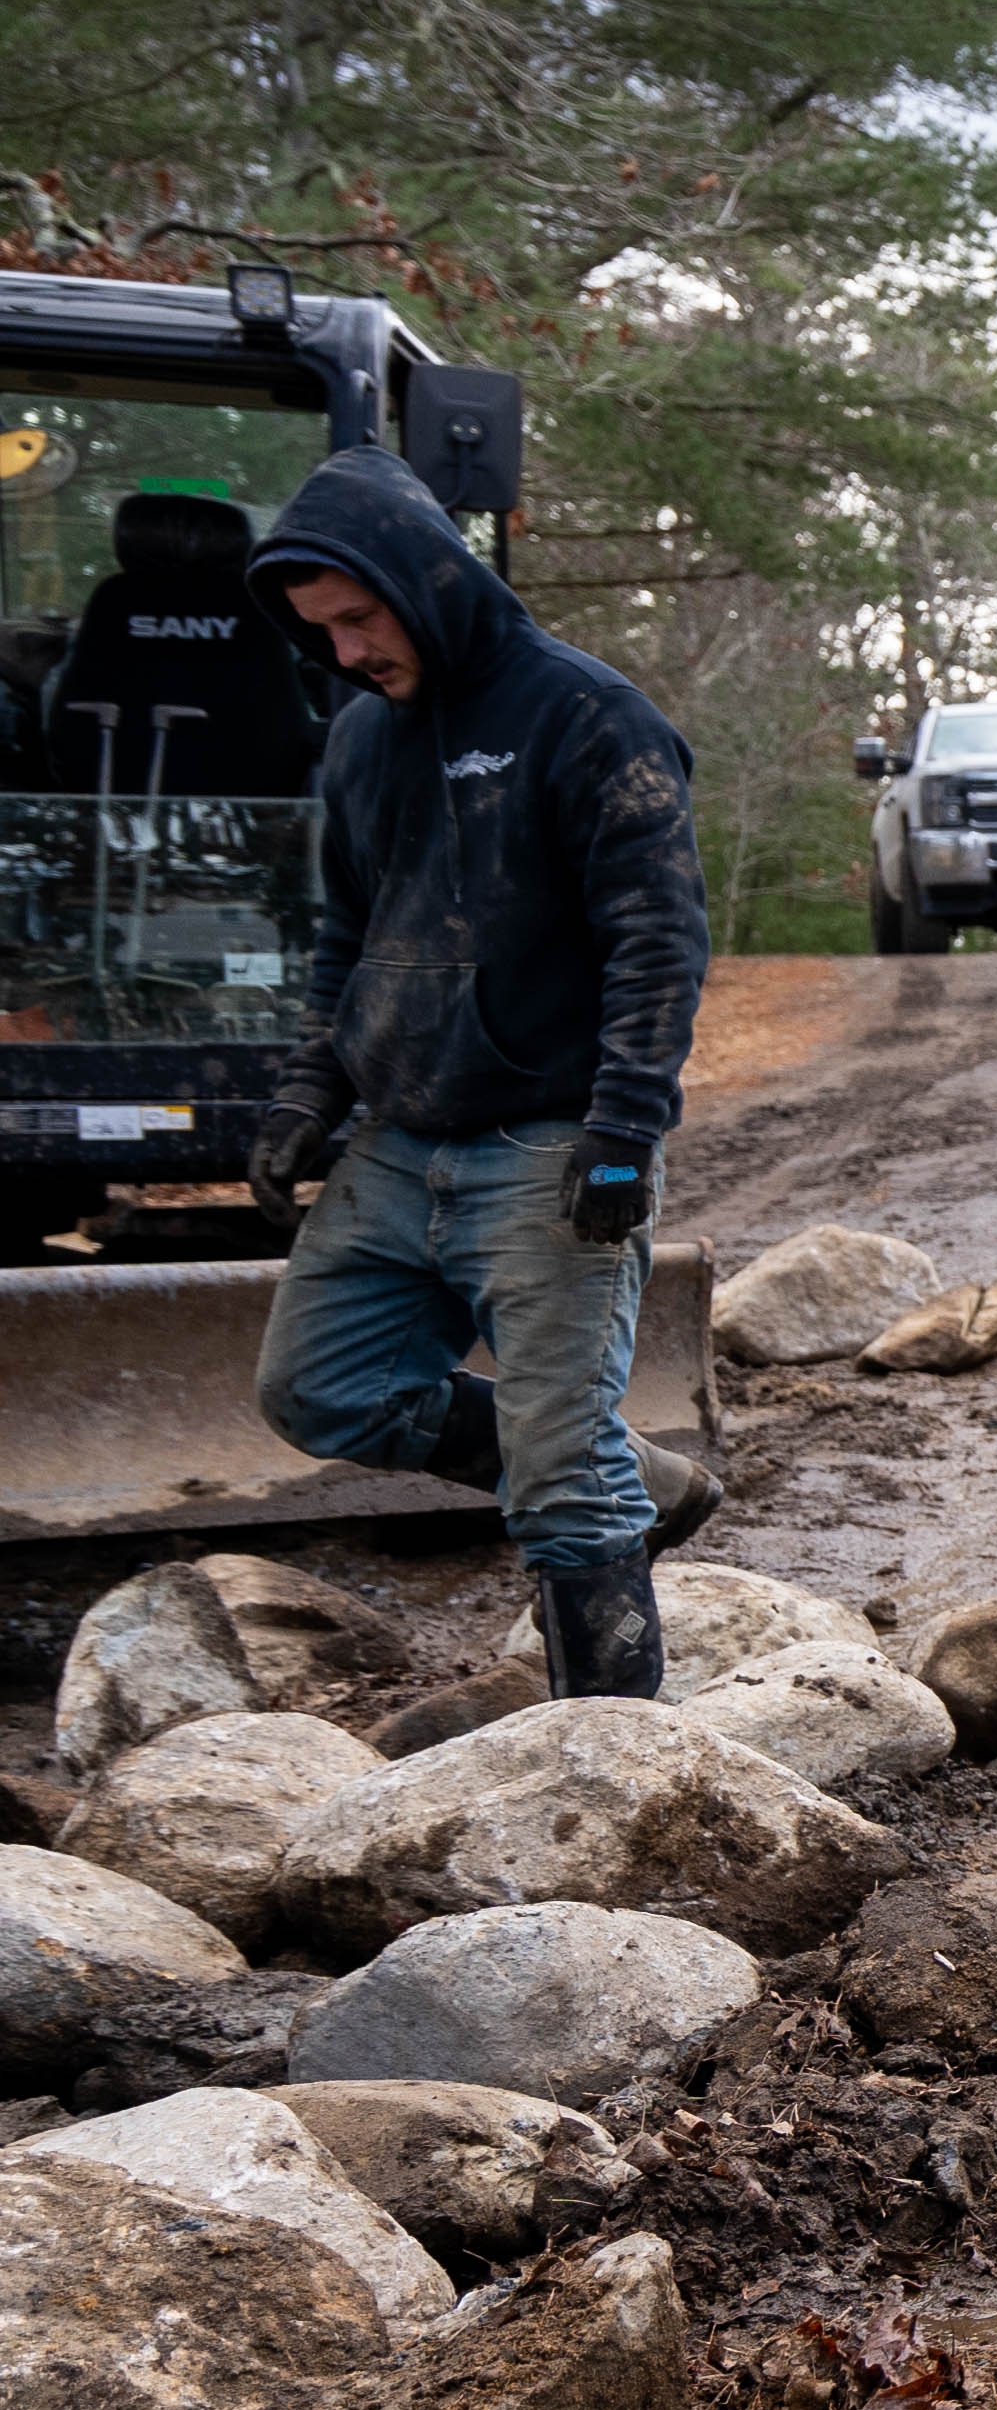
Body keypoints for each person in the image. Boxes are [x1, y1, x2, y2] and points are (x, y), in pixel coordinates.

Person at [238, 446, 716, 1702]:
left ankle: (611, 1770)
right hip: (396, 1142)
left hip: (549, 1146)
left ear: (425, 580)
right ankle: (646, 1483)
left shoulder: (585, 715)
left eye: (357, 618)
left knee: (560, 1484)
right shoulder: (359, 740)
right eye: (319, 631)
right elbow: (348, 934)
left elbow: (656, 939)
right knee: (317, 1387)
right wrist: (308, 1094)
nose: (343, 651)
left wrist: (623, 1132)